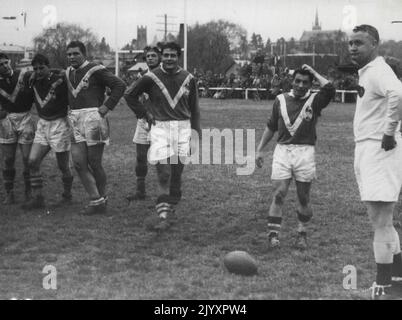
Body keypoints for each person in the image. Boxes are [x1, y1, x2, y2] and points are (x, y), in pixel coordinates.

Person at [255, 64, 335, 250]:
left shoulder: (315, 100)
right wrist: (260, 149)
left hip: (305, 152)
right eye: (297, 81)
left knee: (303, 197)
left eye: (305, 82)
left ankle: (301, 232)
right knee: (279, 193)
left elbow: (330, 88)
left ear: (310, 84)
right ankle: (273, 235)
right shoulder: (280, 100)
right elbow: (271, 126)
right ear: (292, 81)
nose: (300, 85)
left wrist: (315, 72)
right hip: (282, 151)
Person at [349, 24, 402, 299]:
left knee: (380, 221)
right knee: (384, 220)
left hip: (379, 149)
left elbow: (399, 94)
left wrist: (389, 132)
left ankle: (382, 288)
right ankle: (397, 283)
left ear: (375, 45)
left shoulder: (379, 71)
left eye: (359, 43)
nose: (353, 48)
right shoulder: (368, 72)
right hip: (369, 149)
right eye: (350, 43)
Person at [124, 42, 201, 230]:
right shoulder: (151, 77)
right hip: (160, 128)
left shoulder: (189, 78)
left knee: (176, 173)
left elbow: (195, 109)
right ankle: (164, 217)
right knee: (164, 173)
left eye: (172, 55)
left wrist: (195, 134)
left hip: (183, 127)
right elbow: (129, 95)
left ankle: (170, 206)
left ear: (178, 57)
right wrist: (145, 114)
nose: (168, 59)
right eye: (166, 55)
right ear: (162, 56)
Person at [65, 41, 126, 215]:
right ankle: (96, 199)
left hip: (93, 118)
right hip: (74, 118)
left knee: (94, 162)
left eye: (75, 53)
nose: (72, 57)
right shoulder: (67, 72)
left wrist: (108, 106)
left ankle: (102, 197)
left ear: (83, 54)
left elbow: (120, 85)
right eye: (69, 54)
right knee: (78, 163)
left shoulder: (96, 69)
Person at [22, 54, 73, 210]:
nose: (38, 71)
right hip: (43, 124)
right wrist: (31, 74)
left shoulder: (60, 78)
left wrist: (56, 70)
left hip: (60, 124)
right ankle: (38, 198)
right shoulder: (33, 79)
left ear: (48, 66)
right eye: (35, 68)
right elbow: (24, 75)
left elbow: (67, 72)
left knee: (63, 165)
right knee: (32, 161)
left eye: (41, 67)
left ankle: (67, 195)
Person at [126, 46, 161, 201]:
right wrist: (143, 113)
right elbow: (130, 96)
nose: (150, 58)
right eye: (148, 56)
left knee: (163, 159)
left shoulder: (165, 77)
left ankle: (166, 192)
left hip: (161, 122)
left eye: (154, 55)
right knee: (140, 157)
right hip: (144, 121)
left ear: (159, 58)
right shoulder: (142, 77)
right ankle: (140, 191)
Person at [0, 53, 35, 204]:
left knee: (27, 158)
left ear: (10, 62)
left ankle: (29, 191)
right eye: (0, 65)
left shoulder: (24, 75)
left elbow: (44, 72)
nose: (4, 66)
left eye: (5, 63)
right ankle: (9, 193)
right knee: (8, 159)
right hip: (7, 121)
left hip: (25, 118)